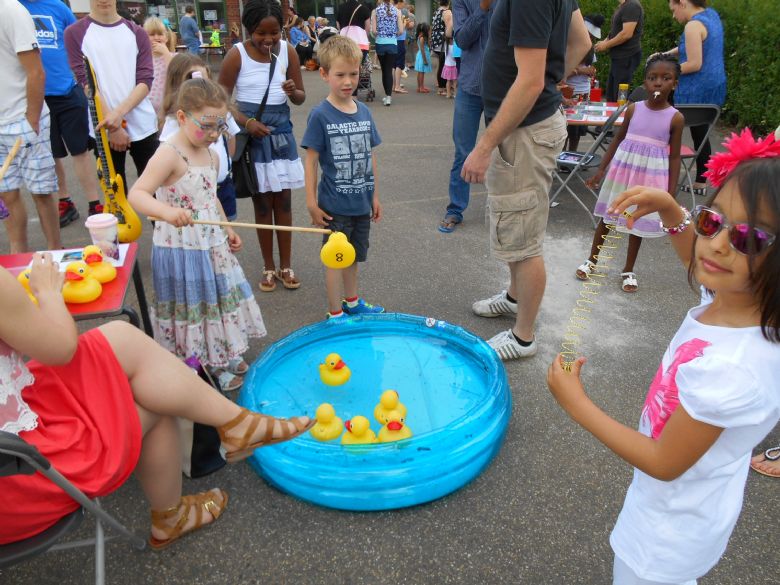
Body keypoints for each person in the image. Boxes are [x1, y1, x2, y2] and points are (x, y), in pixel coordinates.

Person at [548, 129, 780, 585]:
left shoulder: (731, 368)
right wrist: (673, 210)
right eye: (713, 221)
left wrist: (576, 402)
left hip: (666, 532)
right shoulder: (742, 301)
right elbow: (698, 263)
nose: (715, 244)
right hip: (693, 505)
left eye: (749, 238)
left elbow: (663, 461)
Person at [0, 252, 313, 547]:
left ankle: (239, 425)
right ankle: (171, 516)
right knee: (156, 402)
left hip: (14, 434)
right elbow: (60, 348)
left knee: (120, 339)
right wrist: (49, 293)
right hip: (20, 476)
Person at [461, 0, 591, 361]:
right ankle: (514, 298)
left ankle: (523, 337)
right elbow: (581, 41)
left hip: (524, 131)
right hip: (529, 125)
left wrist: (485, 145)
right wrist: (548, 80)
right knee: (516, 225)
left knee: (524, 235)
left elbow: (531, 78)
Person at [128, 78, 264, 392]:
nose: (215, 134)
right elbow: (138, 194)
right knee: (195, 303)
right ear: (182, 117)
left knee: (216, 297)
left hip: (211, 242)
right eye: (207, 126)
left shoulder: (212, 154)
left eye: (221, 127)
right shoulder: (169, 153)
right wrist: (166, 212)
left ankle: (222, 353)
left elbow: (210, 196)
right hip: (181, 245)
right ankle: (204, 366)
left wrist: (227, 228)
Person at [575, 55, 684, 293]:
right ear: (644, 83)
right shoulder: (634, 109)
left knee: (637, 223)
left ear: (674, 84)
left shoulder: (675, 118)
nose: (658, 83)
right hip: (621, 174)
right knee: (608, 217)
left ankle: (628, 269)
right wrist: (600, 170)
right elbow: (618, 138)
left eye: (666, 78)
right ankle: (592, 259)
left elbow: (675, 157)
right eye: (652, 78)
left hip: (649, 179)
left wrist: (670, 192)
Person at [218, 0, 306, 293]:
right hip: (254, 137)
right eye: (260, 33)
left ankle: (287, 265)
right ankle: (269, 266)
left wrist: (294, 90)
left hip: (281, 135)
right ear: (248, 29)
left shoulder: (288, 51)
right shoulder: (236, 55)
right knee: (262, 203)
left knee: (284, 202)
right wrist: (246, 122)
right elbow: (221, 101)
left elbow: (301, 98)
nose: (268, 39)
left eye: (275, 33)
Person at [301, 36, 384, 320]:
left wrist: (374, 195)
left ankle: (352, 301)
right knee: (335, 260)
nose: (348, 81)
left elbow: (370, 156)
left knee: (353, 257)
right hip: (334, 206)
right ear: (324, 75)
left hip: (361, 204)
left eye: (353, 73)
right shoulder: (320, 115)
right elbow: (311, 162)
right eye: (340, 75)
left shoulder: (364, 111)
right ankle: (335, 313)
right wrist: (311, 202)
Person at [18, 0, 104, 230]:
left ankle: (94, 203)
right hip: (36, 97)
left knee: (80, 151)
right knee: (51, 153)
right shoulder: (13, 8)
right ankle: (65, 201)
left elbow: (80, 43)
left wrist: (81, 79)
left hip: (68, 90)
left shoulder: (58, 7)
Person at [65, 0, 159, 196]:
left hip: (142, 125)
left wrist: (117, 117)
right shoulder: (74, 33)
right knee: (115, 196)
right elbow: (87, 84)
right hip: (103, 126)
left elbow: (145, 81)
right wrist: (113, 125)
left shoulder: (137, 32)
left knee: (156, 195)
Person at [0, 0, 60, 254]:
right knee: (7, 194)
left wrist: (31, 121)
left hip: (22, 118)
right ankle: (18, 255)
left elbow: (36, 72)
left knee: (41, 191)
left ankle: (55, 251)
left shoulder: (11, 10)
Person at [652, 0, 726, 198]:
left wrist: (664, 73)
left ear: (682, 3)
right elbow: (690, 47)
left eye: (673, 9)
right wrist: (665, 54)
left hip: (696, 89)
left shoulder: (693, 26)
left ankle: (659, 177)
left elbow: (694, 63)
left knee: (662, 127)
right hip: (714, 87)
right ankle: (700, 181)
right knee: (701, 133)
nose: (673, 15)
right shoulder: (711, 16)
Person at [160, 54, 240, 222]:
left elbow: (231, 137)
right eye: (191, 81)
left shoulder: (220, 111)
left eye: (204, 81)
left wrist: (226, 163)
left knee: (223, 233)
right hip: (189, 197)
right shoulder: (173, 125)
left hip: (221, 186)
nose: (214, 134)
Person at [437, 0, 494, 234]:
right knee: (463, 152)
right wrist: (482, 8)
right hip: (469, 86)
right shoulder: (461, 1)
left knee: (504, 153)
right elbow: (461, 39)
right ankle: (455, 209)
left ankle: (502, 210)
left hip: (501, 88)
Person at [561, 14, 603, 153]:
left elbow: (591, 68)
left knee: (577, 131)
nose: (590, 38)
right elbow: (562, 72)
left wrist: (585, 70)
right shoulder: (567, 45)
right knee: (564, 128)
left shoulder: (589, 49)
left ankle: (572, 156)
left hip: (584, 92)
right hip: (568, 92)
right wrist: (580, 70)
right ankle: (561, 157)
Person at [595, 0, 644, 102]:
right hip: (618, 59)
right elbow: (615, 30)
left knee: (620, 97)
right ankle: (613, 117)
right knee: (611, 96)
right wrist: (604, 42)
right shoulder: (623, 6)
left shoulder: (632, 5)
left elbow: (626, 33)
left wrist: (606, 45)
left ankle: (620, 117)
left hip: (626, 57)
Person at [144, 16, 175, 124]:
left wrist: (166, 53)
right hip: (147, 112)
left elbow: (176, 74)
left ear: (166, 37)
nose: (156, 37)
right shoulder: (143, 60)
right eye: (152, 35)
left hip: (169, 112)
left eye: (160, 34)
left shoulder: (174, 57)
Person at [371, 0, 403, 106]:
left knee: (384, 71)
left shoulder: (375, 11)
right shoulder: (397, 11)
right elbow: (401, 31)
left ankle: (387, 95)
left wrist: (380, 35)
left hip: (380, 43)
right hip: (392, 43)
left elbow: (374, 31)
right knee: (389, 70)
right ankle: (388, 97)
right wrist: (393, 35)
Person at [430, 1, 452, 97]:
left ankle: (440, 84)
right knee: (444, 64)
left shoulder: (437, 11)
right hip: (442, 39)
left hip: (435, 39)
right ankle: (441, 87)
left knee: (440, 63)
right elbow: (449, 27)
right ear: (448, 2)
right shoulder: (447, 12)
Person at [391, 0, 411, 95]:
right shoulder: (398, 12)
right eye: (403, 2)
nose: (404, 4)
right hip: (399, 40)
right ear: (399, 1)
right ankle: (397, 86)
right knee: (399, 64)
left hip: (392, 40)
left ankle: (394, 85)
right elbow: (401, 30)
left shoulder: (390, 10)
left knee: (393, 64)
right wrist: (404, 24)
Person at [414, 22, 432, 93]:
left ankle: (420, 87)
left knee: (420, 72)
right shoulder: (422, 38)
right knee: (421, 72)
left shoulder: (421, 36)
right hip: (422, 56)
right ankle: (421, 87)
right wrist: (425, 60)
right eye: (428, 30)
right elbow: (422, 50)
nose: (429, 32)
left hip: (420, 56)